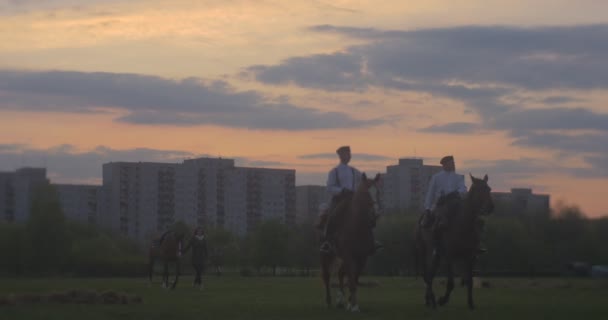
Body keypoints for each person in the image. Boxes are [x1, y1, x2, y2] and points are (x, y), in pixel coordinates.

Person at [319, 145, 382, 254]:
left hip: (353, 199)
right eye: (346, 154)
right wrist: (342, 190)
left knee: (368, 216)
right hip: (339, 199)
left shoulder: (354, 171)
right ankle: (327, 243)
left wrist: (373, 182)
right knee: (333, 216)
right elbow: (330, 187)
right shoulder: (334, 171)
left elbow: (363, 180)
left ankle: (372, 241)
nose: (349, 156)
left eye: (349, 154)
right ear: (340, 156)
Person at [421, 155, 486, 254]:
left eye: (453, 163)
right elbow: (430, 193)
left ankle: (476, 244)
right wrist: (428, 208)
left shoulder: (459, 177)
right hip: (441, 204)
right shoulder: (436, 177)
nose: (453, 165)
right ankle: (436, 246)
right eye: (451, 163)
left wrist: (457, 192)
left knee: (474, 220)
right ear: (445, 165)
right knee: (437, 223)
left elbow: (463, 189)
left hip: (456, 203)